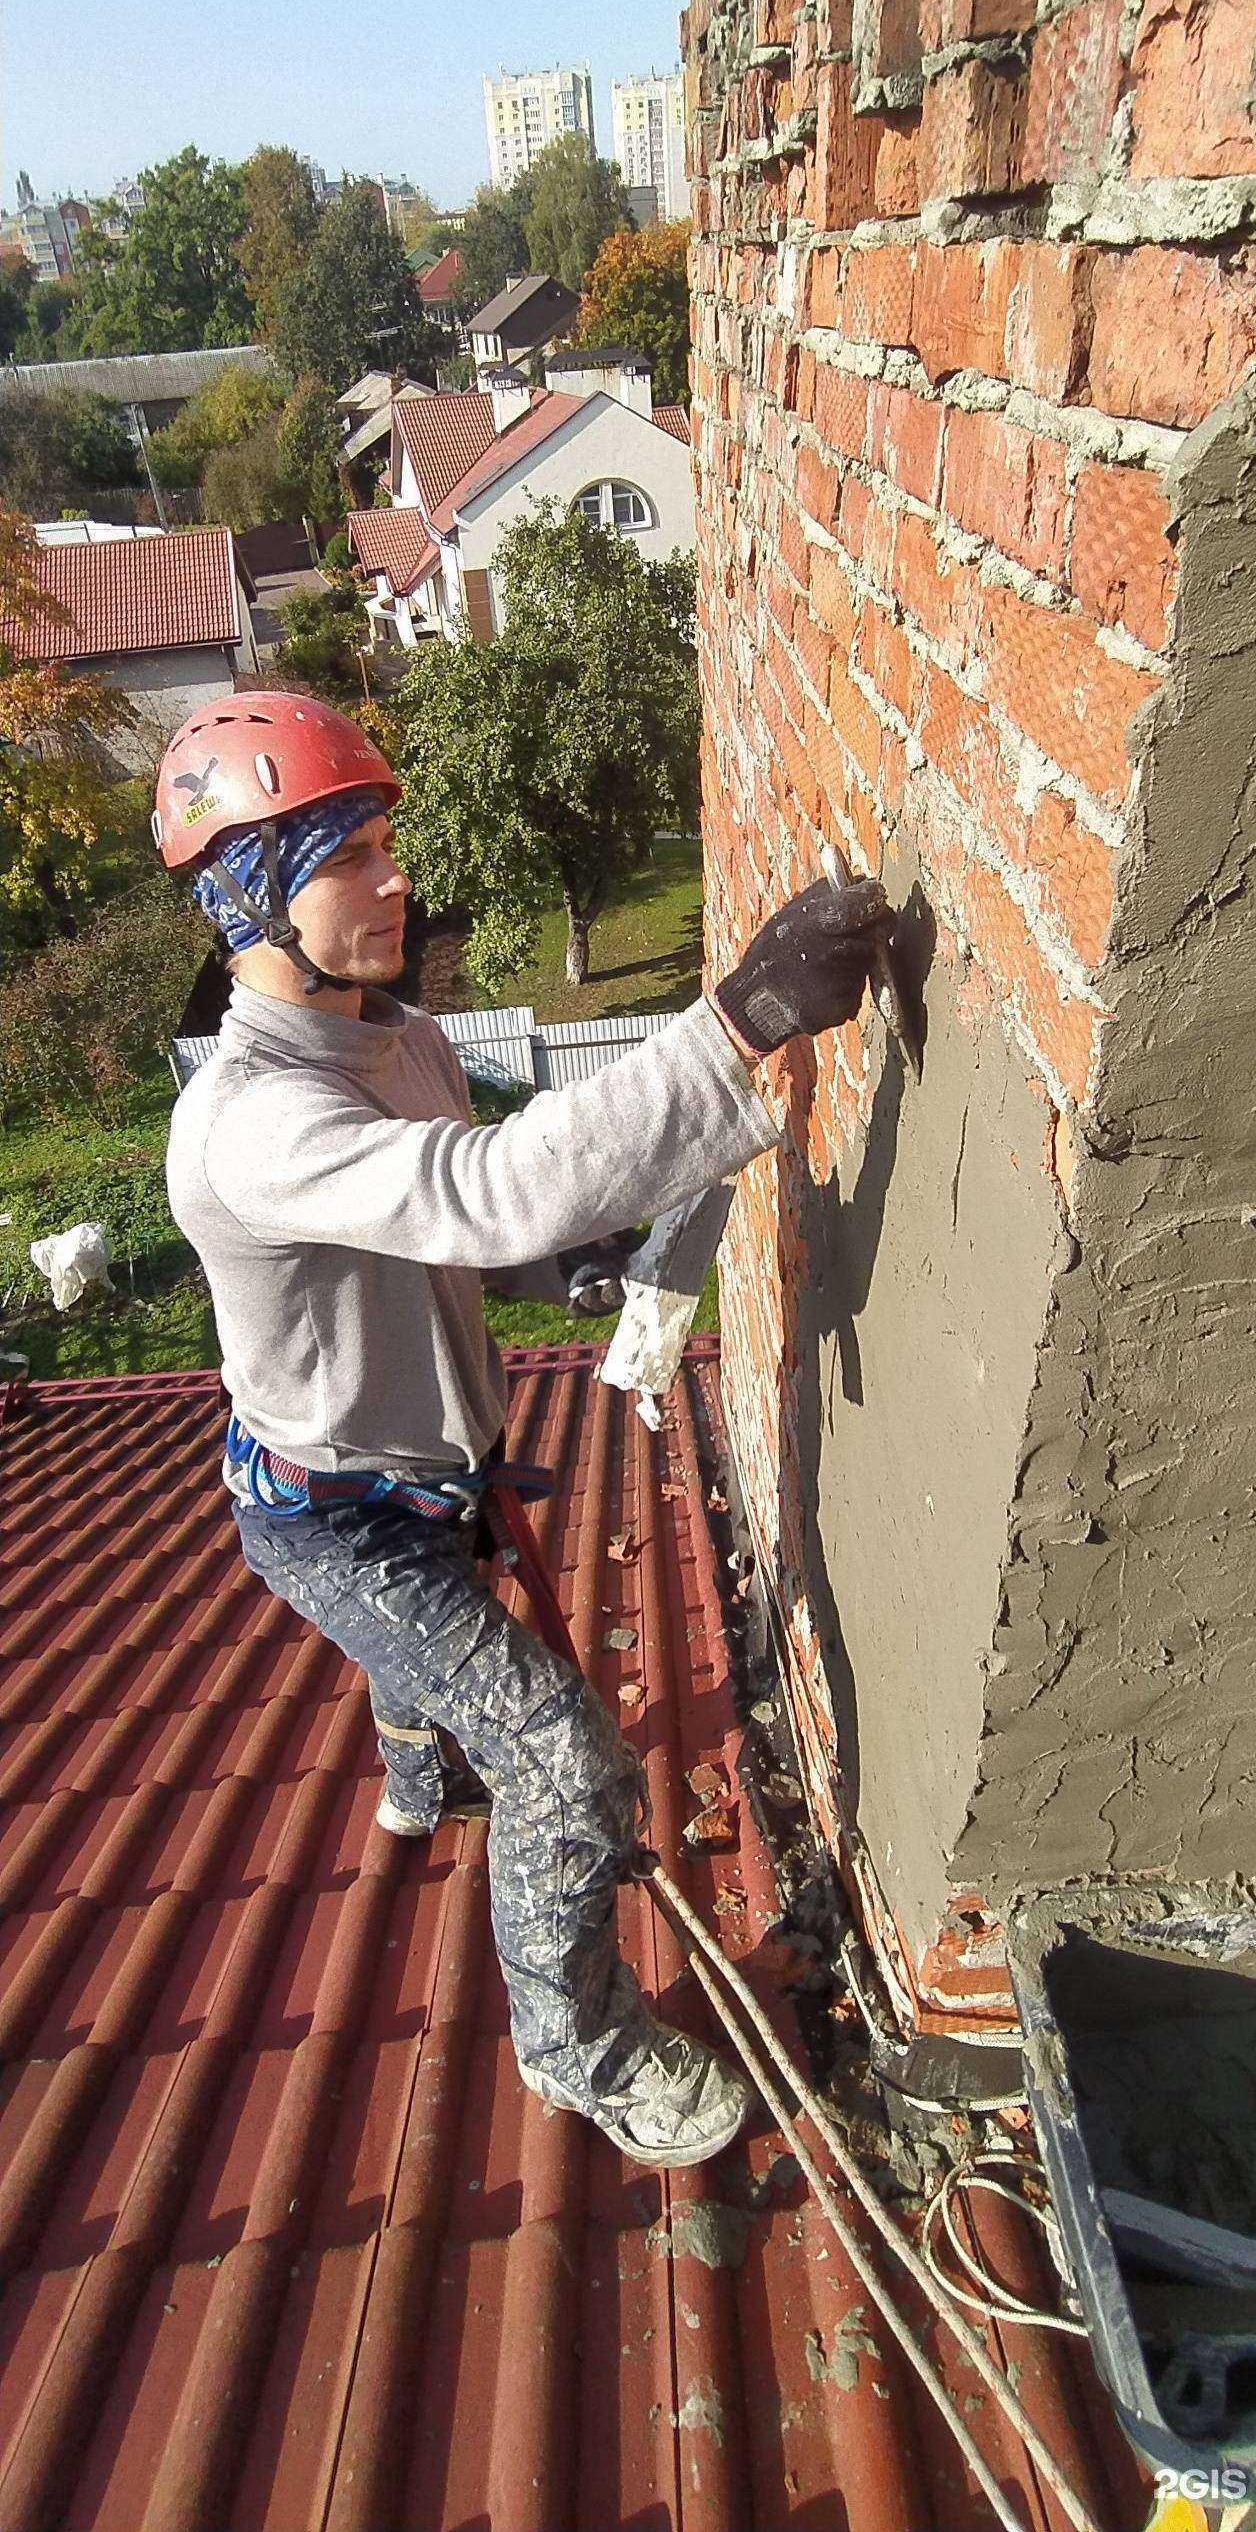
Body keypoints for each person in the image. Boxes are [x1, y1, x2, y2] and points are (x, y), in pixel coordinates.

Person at [158, 687, 893, 2168]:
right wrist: (741, 1018)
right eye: (349, 858)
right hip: (338, 1517)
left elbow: (464, 1228)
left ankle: (416, 1761)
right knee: (567, 1766)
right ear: (249, 896)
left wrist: (569, 1267)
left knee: (434, 1667)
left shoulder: (401, 1042)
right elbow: (485, 1191)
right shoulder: (248, 1122)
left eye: (386, 844)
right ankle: (579, 2048)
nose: (396, 881)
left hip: (433, 1474)